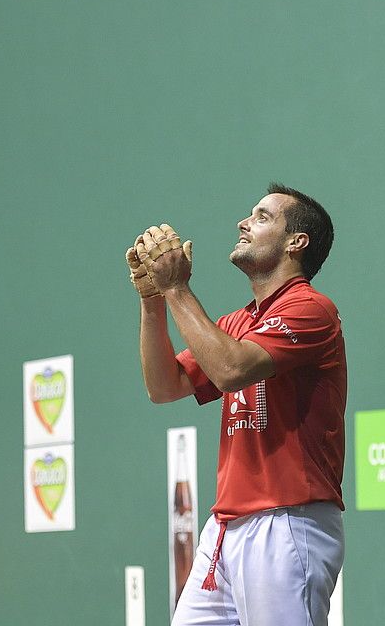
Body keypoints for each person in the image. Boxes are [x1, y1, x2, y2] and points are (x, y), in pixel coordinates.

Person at [128, 184, 345, 626]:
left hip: (287, 523)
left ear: (295, 242)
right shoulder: (238, 322)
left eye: (262, 217)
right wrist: (153, 301)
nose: (243, 223)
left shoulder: (312, 309)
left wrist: (177, 289)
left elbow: (231, 369)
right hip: (226, 527)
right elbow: (164, 386)